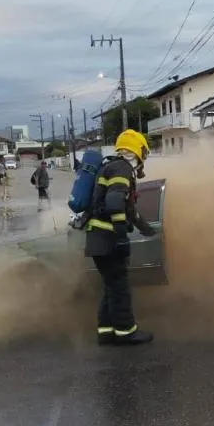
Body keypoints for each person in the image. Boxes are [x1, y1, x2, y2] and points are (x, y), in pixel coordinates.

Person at [84, 129, 155, 346]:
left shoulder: (111, 167)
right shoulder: (121, 168)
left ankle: (106, 332)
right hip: (108, 239)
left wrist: (146, 229)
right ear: (136, 150)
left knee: (111, 286)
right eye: (143, 152)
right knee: (120, 287)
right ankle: (126, 332)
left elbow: (130, 210)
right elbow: (115, 202)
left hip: (98, 239)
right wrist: (122, 237)